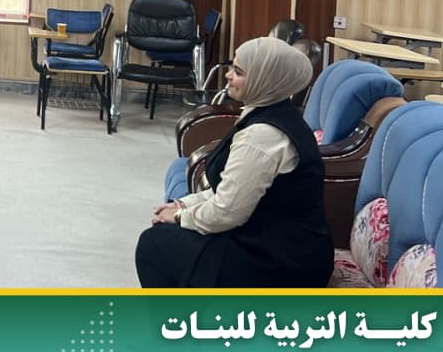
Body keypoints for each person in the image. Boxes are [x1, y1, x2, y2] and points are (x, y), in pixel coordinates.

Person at [134, 36, 333, 288]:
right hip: (274, 242)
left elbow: (227, 213)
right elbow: (230, 189)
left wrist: (181, 216)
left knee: (154, 244)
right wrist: (184, 203)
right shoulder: (272, 113)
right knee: (165, 238)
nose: (228, 75)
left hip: (282, 262)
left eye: (238, 72)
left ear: (264, 80)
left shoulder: (263, 135)